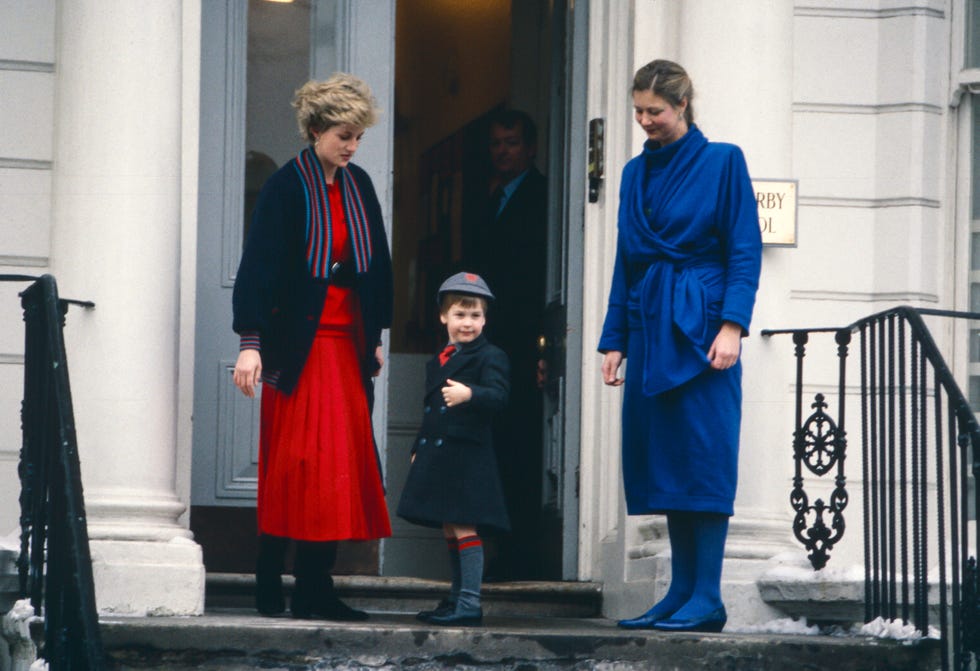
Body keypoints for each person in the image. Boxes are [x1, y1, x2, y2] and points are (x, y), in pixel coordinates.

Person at [598, 59, 762, 633]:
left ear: (683, 105)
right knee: (664, 460)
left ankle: (708, 597)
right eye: (638, 111)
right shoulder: (631, 174)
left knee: (703, 457)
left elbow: (744, 248)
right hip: (648, 327)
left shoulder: (723, 162)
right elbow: (627, 262)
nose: (645, 121)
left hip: (701, 329)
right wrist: (614, 339)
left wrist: (732, 326)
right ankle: (680, 591)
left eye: (655, 111)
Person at [232, 73, 393, 621]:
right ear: (317, 129)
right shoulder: (284, 187)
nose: (351, 147)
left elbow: (379, 269)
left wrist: (374, 338)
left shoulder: (360, 184)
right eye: (344, 135)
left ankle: (314, 587)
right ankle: (268, 575)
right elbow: (258, 268)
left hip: (346, 347)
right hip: (295, 351)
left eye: (357, 138)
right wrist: (250, 345)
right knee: (297, 467)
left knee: (338, 469)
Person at [396, 271, 511, 626]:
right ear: (443, 316)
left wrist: (470, 393)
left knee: (464, 528)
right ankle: (455, 598)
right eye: (460, 315)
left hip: (467, 458)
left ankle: (470, 603)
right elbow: (430, 410)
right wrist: (419, 446)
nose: (468, 323)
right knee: (450, 527)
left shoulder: (490, 356)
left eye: (475, 316)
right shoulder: (439, 359)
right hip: (440, 456)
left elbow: (499, 396)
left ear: (485, 319)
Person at [471, 109, 547, 580]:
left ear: (531, 147)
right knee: (488, 446)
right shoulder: (487, 198)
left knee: (519, 447)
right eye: (496, 143)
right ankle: (489, 551)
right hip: (485, 339)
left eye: (512, 142)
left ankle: (521, 553)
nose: (503, 151)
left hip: (521, 343)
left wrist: (541, 347)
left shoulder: (542, 197)